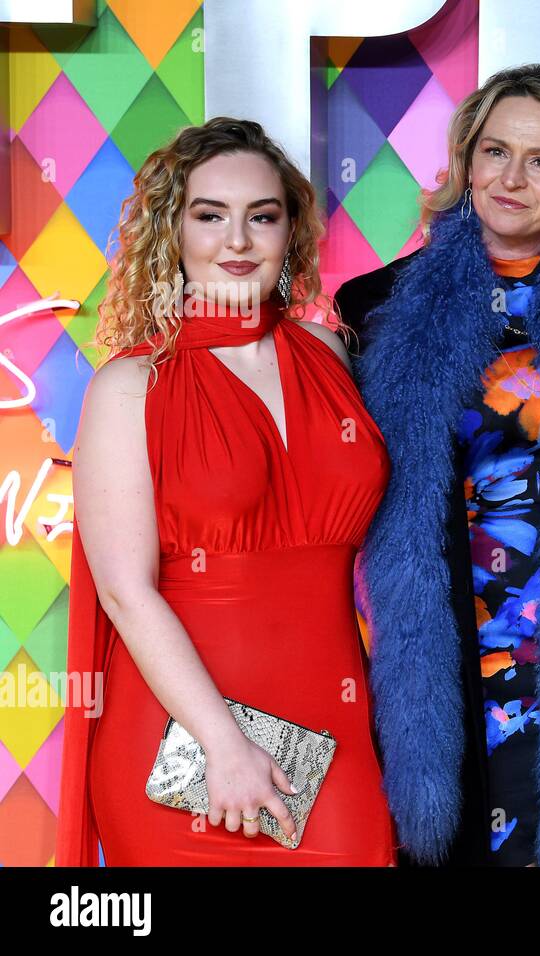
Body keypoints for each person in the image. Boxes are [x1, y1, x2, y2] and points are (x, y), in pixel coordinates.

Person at [340, 64, 540, 867]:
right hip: (437, 642)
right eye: (495, 152)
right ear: (465, 162)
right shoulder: (374, 307)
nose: (511, 178)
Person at [57, 118, 395, 865]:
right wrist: (224, 745)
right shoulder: (130, 386)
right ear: (172, 231)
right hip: (183, 746)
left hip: (333, 735)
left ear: (290, 231)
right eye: (210, 216)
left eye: (261, 217)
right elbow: (124, 592)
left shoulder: (330, 354)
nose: (237, 241)